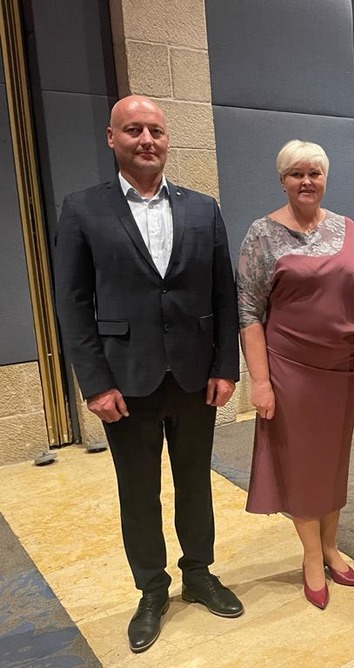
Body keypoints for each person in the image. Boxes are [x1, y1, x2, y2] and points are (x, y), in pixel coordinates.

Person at [53, 95, 243, 654]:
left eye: (155, 130)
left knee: (196, 483)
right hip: (124, 380)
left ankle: (199, 574)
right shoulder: (82, 209)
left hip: (194, 376)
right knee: (138, 491)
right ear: (111, 138)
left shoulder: (202, 208)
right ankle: (152, 590)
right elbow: (73, 304)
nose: (146, 140)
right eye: (133, 130)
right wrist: (94, 383)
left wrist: (225, 366)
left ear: (167, 139)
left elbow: (223, 294)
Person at [237, 140, 354, 611]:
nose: (306, 181)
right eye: (296, 174)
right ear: (282, 180)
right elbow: (249, 312)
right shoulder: (261, 234)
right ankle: (312, 556)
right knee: (300, 464)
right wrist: (260, 382)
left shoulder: (348, 227)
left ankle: (332, 546)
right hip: (290, 370)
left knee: (333, 461)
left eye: (314, 173)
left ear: (325, 178)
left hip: (343, 369)